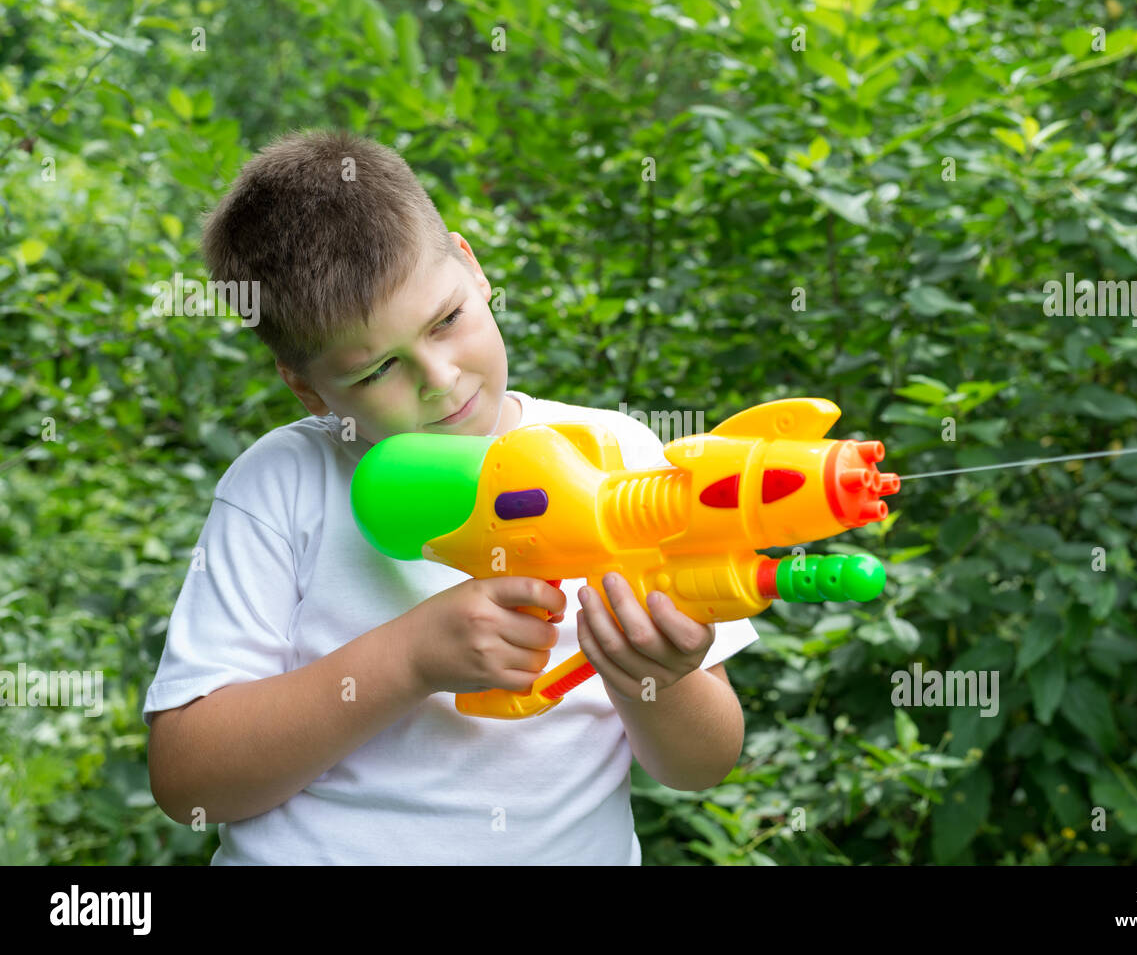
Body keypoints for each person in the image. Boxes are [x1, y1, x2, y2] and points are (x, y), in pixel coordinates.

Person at [143, 129, 759, 864]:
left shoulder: (618, 458)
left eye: (447, 321)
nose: (438, 377)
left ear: (472, 267)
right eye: (376, 372)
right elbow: (189, 781)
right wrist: (409, 660)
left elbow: (702, 766)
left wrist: (657, 679)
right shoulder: (281, 486)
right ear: (307, 388)